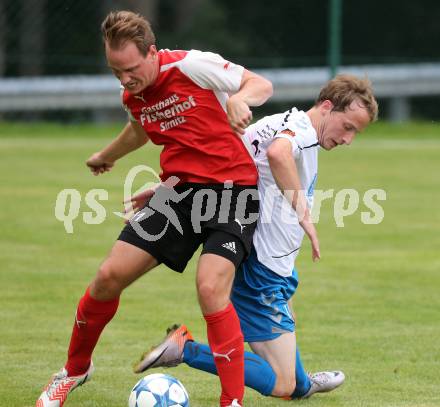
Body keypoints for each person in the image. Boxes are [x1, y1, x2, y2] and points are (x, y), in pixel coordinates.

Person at [36, 10, 272, 407]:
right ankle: (75, 369)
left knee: (210, 287)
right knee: (108, 276)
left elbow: (260, 83)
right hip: (178, 194)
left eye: (130, 69)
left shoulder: (192, 65)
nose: (125, 79)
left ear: (152, 53)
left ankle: (231, 401)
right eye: (115, 72)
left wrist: (239, 100)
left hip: (233, 191)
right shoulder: (135, 93)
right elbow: (141, 129)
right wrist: (105, 155)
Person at [131, 75, 378, 401]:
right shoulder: (300, 133)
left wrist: (170, 187)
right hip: (261, 270)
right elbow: (278, 154)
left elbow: (219, 161)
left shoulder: (276, 123)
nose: (348, 139)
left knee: (289, 340)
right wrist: (304, 214)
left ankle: (304, 383)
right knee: (280, 383)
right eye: (348, 127)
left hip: (278, 264)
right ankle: (185, 350)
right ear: (328, 106)